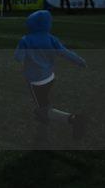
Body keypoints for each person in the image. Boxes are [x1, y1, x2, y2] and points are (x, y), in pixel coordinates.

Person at [14, 10, 87, 141]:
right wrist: (80, 61)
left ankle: (73, 119)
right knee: (44, 99)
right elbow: (65, 53)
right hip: (50, 77)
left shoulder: (26, 40)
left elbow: (18, 57)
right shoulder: (51, 38)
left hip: (36, 81)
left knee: (42, 107)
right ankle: (43, 115)